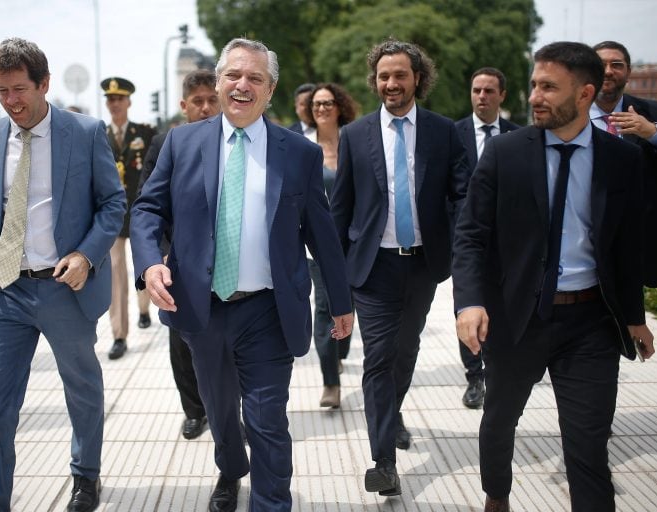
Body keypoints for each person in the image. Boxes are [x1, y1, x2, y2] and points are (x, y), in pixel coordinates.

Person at [131, 37, 353, 512]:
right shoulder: (182, 142)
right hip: (200, 308)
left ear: (270, 91)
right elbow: (148, 208)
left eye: (255, 77)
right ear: (217, 81)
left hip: (268, 310)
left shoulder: (298, 154)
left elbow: (321, 232)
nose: (242, 85)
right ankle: (231, 471)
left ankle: (270, 504)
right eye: (233, 75)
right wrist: (150, 262)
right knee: (220, 413)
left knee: (267, 418)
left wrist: (341, 301)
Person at [453, 41, 655, 512]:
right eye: (533, 85)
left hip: (590, 324)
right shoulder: (505, 154)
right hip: (516, 317)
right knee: (500, 420)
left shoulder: (620, 159)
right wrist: (470, 302)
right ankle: (496, 496)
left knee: (588, 445)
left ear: (585, 93)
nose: (534, 97)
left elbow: (624, 248)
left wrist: (634, 317)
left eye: (549, 87)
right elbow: (470, 235)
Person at [0, 38, 126, 512]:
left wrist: (86, 255)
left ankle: (84, 475)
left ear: (44, 84)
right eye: (1, 90)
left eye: (19, 89)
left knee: (83, 388)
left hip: (62, 288)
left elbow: (114, 203)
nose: (11, 101)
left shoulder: (86, 132)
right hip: (4, 290)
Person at [330, 38, 469, 497]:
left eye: (400, 75)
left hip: (424, 265)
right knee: (379, 358)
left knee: (405, 354)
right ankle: (383, 460)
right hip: (373, 267)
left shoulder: (443, 132)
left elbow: (462, 193)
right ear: (375, 81)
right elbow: (340, 208)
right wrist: (334, 276)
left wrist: (465, 241)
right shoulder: (355, 135)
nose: (391, 83)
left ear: (417, 79)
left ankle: (392, 415)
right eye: (384, 76)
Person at [139, 69, 221, 441]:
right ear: (184, 106)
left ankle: (229, 410)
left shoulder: (235, 140)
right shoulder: (166, 143)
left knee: (228, 342)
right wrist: (160, 257)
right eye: (198, 102)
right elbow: (149, 204)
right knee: (182, 340)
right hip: (180, 260)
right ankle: (194, 410)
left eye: (211, 100)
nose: (205, 109)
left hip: (227, 258)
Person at [453, 67, 519, 409]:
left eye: (489, 91)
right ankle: (474, 377)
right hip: (467, 240)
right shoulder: (454, 134)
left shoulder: (520, 136)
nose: (482, 96)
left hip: (509, 242)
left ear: (501, 95)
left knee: (504, 308)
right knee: (467, 305)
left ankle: (500, 369)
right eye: (477, 90)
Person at [590, 41, 657, 287]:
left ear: (628, 72)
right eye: (600, 65)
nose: (608, 71)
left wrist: (654, 133)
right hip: (584, 241)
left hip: (642, 244)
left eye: (616, 65)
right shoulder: (569, 115)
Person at [302, 82, 358, 408]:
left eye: (327, 103)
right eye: (316, 104)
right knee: (324, 310)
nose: (321, 109)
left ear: (340, 106)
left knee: (350, 308)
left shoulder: (355, 142)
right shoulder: (303, 146)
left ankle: (339, 351)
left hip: (356, 244)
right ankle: (330, 382)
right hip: (318, 247)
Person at [101, 76, 157, 360]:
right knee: (115, 271)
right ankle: (119, 334)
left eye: (119, 99)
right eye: (110, 99)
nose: (114, 104)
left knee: (143, 262)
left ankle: (144, 307)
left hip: (141, 209)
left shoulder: (144, 133)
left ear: (128, 102)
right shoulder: (99, 134)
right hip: (112, 213)